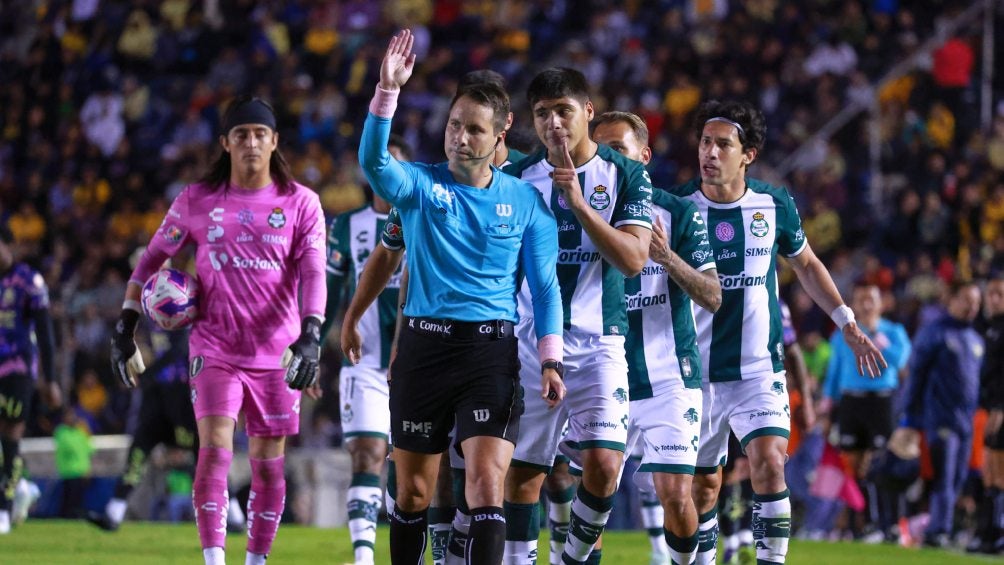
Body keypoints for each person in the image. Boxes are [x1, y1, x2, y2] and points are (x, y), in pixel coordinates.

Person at [359, 30, 564, 565]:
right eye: (454, 125)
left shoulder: (527, 204)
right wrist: (387, 91)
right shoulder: (420, 187)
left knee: (485, 486)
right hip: (424, 351)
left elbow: (544, 288)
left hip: (489, 354)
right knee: (414, 494)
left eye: (475, 129)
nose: (460, 138)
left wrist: (550, 358)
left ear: (500, 134)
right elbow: (375, 164)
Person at [109, 95, 327, 565]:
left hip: (277, 354)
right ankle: (213, 560)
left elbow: (313, 274)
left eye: (260, 134)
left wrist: (311, 336)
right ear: (226, 143)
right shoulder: (197, 200)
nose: (251, 142)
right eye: (242, 134)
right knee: (214, 453)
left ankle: (256, 559)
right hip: (215, 349)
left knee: (269, 470)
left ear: (274, 141)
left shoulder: (302, 204)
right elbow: (149, 261)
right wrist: (125, 323)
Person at [670, 100, 886, 564]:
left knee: (770, 463)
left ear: (748, 154)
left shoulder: (772, 204)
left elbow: (806, 264)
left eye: (722, 144)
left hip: (758, 368)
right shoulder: (679, 208)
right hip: (696, 372)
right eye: (705, 142)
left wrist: (846, 321)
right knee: (703, 488)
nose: (709, 152)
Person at [502, 68, 654, 565]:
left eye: (563, 110)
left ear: (588, 111)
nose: (554, 123)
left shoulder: (627, 174)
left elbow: (633, 258)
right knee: (524, 473)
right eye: (543, 114)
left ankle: (571, 559)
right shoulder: (517, 178)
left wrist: (579, 205)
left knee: (605, 465)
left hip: (601, 341)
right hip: (528, 340)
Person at [593, 111, 721, 565]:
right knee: (587, 489)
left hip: (669, 376)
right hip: (602, 373)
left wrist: (668, 259)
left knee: (674, 492)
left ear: (643, 157)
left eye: (619, 150)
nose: (608, 160)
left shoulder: (679, 212)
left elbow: (712, 295)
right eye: (601, 150)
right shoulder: (582, 212)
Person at [320, 135, 411, 565]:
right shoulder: (345, 225)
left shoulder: (423, 218)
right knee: (368, 453)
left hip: (416, 363)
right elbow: (330, 294)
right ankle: (363, 557)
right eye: (381, 165)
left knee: (409, 467)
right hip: (363, 362)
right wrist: (311, 356)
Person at [87, 322, 246, 533]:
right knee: (138, 449)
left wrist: (147, 374)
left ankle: (235, 516)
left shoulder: (182, 312)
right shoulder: (152, 318)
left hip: (184, 398)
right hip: (159, 399)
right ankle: (113, 513)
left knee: (208, 458)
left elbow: (180, 348)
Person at [895, 280, 985, 548]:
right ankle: (938, 530)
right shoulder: (934, 333)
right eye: (967, 300)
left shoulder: (975, 338)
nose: (972, 307)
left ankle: (938, 525)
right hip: (940, 417)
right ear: (953, 300)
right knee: (944, 476)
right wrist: (910, 415)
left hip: (966, 421)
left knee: (957, 478)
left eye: (976, 303)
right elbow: (916, 375)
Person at [820, 281, 911, 541]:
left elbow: (900, 361)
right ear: (853, 305)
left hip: (882, 401)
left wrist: (876, 337)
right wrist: (827, 405)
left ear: (881, 303)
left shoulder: (894, 331)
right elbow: (834, 374)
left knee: (882, 464)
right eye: (861, 299)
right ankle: (859, 525)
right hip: (851, 401)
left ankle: (888, 524)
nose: (867, 304)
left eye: (871, 299)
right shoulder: (841, 336)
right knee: (853, 466)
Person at [0, 224, 60, 534]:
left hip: (17, 370)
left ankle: (4, 509)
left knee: (10, 433)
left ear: (9, 246)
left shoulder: (28, 281)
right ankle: (21, 487)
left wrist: (49, 379)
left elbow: (46, 334)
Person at [973, 275, 1004, 554]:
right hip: (988, 408)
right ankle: (989, 533)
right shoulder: (990, 328)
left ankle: (996, 534)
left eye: (999, 294)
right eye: (990, 294)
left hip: (999, 410)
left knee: (998, 473)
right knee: (990, 474)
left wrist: (1000, 409)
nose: (993, 300)